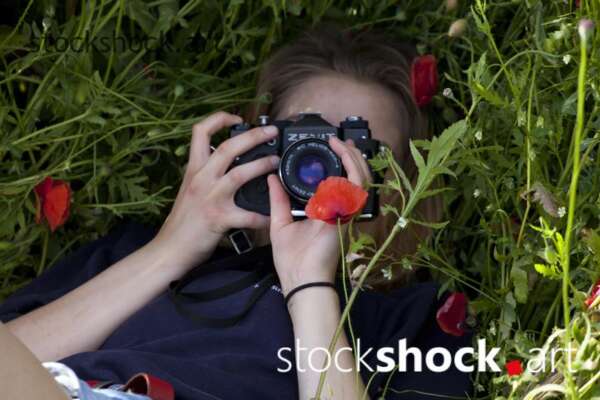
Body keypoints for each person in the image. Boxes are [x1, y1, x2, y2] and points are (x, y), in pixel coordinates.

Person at [0, 25, 472, 400]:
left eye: (360, 154)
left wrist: (311, 285)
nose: (323, 171)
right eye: (303, 141)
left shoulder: (416, 321)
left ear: (409, 187)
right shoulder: (132, 251)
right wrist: (172, 249)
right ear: (254, 146)